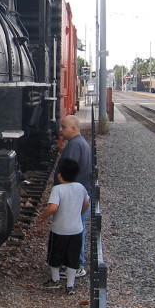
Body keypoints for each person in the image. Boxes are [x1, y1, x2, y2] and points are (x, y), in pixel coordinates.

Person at [38, 158, 90, 295]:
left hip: (59, 230)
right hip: (76, 230)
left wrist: (42, 217)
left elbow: (53, 208)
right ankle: (70, 286)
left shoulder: (58, 189)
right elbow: (86, 203)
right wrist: (79, 213)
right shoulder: (80, 187)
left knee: (55, 256)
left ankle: (55, 280)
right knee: (72, 258)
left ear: (60, 175)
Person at [55, 114, 92, 277]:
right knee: (78, 230)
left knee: (75, 233)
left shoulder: (74, 147)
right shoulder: (81, 144)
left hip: (74, 200)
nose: (60, 130)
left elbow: (68, 172)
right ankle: (74, 264)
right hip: (80, 196)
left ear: (74, 129)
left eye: (63, 127)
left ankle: (75, 265)